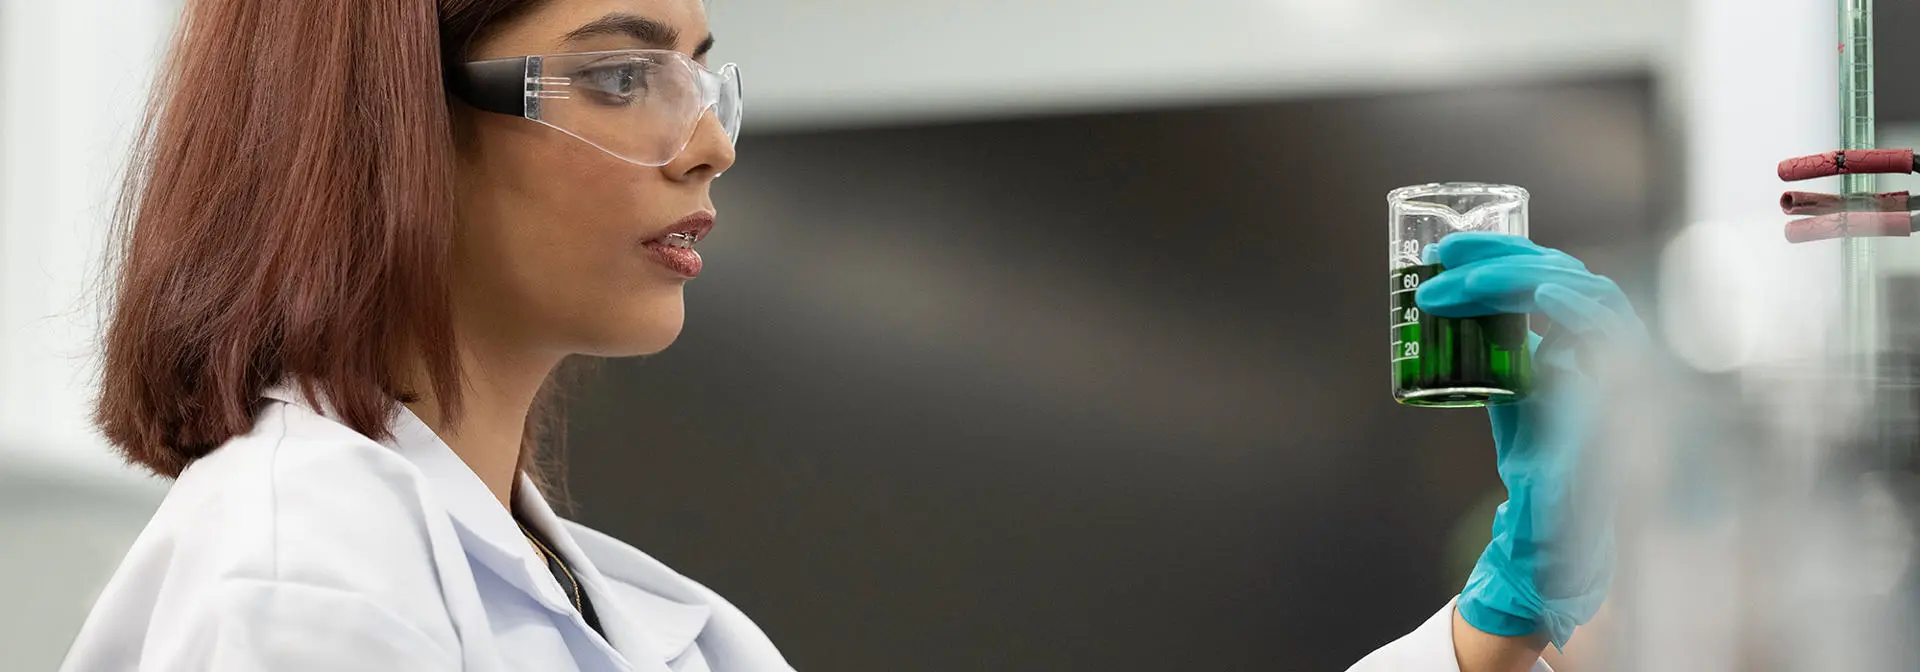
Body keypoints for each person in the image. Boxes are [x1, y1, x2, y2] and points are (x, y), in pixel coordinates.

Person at [58, 0, 1641, 670]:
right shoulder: (302, 577)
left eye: (703, 71)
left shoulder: (606, 603)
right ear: (391, 123)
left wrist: (1489, 628)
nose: (707, 141)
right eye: (622, 74)